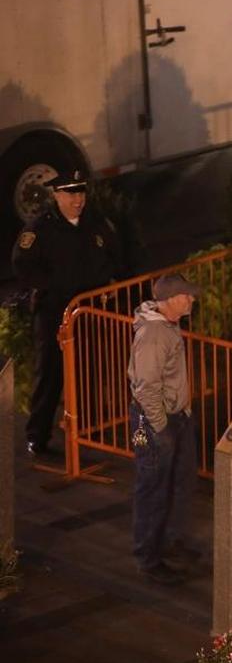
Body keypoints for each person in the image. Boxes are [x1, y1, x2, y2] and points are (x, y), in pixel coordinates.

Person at [11, 170, 123, 457]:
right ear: (57, 195)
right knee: (50, 373)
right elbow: (22, 265)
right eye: (72, 194)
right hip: (53, 313)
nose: (78, 200)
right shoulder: (41, 229)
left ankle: (88, 427)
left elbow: (117, 255)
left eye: (81, 193)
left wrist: (111, 282)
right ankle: (38, 435)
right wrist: (50, 288)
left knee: (89, 370)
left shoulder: (96, 223)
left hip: (89, 310)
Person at [128, 273, 200, 586]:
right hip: (160, 420)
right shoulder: (155, 335)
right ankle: (149, 557)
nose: (192, 300)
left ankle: (170, 543)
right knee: (154, 490)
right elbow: (145, 386)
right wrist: (160, 426)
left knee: (177, 484)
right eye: (187, 295)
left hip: (175, 417)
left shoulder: (168, 325)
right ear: (170, 299)